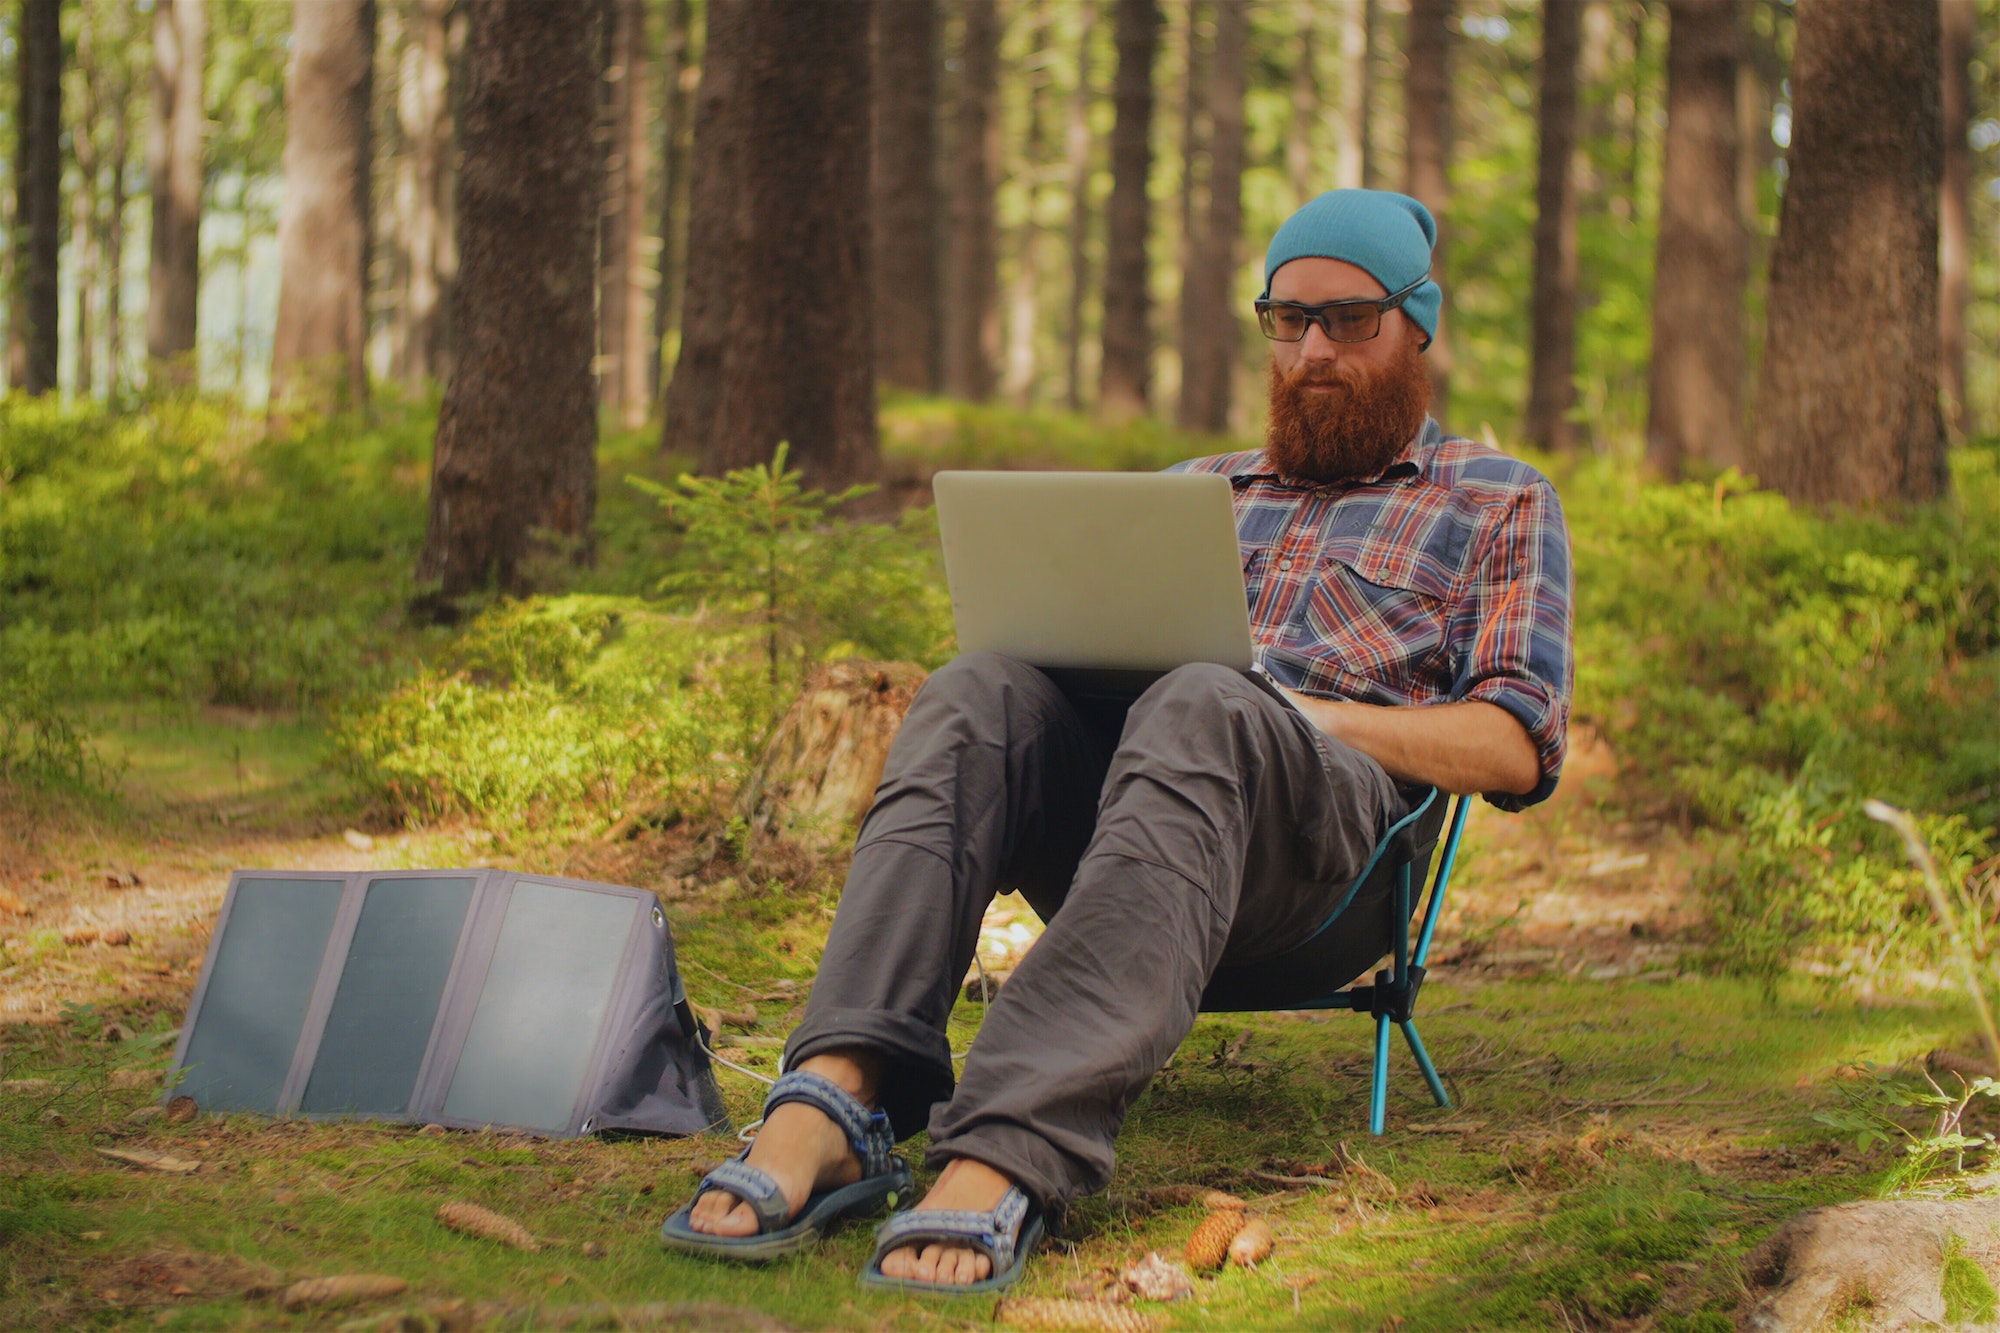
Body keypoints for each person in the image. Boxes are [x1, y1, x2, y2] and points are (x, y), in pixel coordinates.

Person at [661, 188, 1574, 1293]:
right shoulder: (1196, 490)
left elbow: (1517, 745)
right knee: (974, 692)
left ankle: (1007, 1143)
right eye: (1287, 321)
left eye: (1349, 319)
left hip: (1321, 866)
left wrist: (1302, 713)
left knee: (1204, 698)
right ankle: (840, 1092)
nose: (1312, 351)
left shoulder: (1495, 499)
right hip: (1135, 833)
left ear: (1416, 326)